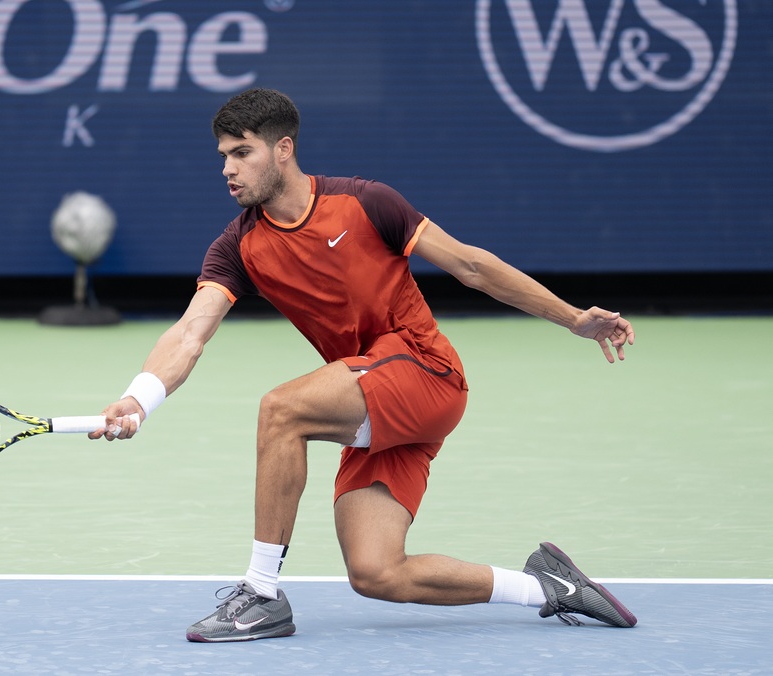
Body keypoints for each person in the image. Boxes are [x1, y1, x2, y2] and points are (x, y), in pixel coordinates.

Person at [90, 88, 638, 642]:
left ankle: (259, 594)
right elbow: (189, 333)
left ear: (283, 149)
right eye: (223, 157)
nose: (228, 169)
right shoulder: (237, 248)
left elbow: (472, 265)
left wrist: (572, 319)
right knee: (376, 572)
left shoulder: (365, 203)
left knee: (282, 411)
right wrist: (140, 397)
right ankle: (548, 588)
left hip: (425, 371)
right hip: (376, 396)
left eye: (241, 153)